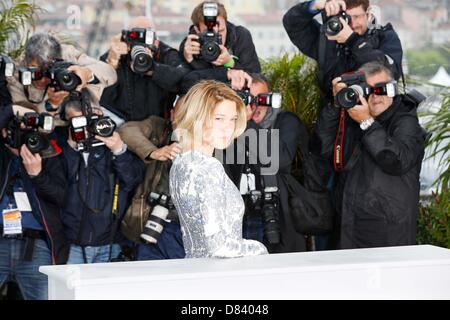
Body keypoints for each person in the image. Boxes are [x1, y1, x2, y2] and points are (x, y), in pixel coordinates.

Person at [314, 61, 426, 249]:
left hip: (387, 233)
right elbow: (324, 148)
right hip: (349, 226)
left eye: (381, 89)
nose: (375, 97)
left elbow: (396, 160)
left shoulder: (406, 122)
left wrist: (367, 123)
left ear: (393, 89)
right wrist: (336, 104)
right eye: (367, 90)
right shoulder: (354, 118)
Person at [169, 80, 268, 258]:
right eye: (219, 118)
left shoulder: (181, 163)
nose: (228, 128)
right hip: (221, 275)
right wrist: (259, 249)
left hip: (195, 268)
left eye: (233, 119)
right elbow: (219, 247)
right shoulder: (208, 167)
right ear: (197, 117)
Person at [225, 74, 310, 253]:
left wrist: (247, 123)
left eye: (260, 99)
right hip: (239, 215)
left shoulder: (286, 121)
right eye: (247, 99)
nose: (254, 106)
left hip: (278, 215)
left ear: (270, 97)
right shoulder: (230, 127)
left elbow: (279, 159)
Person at [59, 100, 144, 264]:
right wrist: (71, 145)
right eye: (77, 122)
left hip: (111, 243)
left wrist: (119, 150)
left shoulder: (114, 146)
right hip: (72, 244)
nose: (85, 127)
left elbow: (133, 181)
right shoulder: (66, 150)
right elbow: (57, 184)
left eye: (88, 119)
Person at [0, 105, 68, 300]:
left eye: (28, 133)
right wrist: (11, 109)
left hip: (35, 246)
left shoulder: (49, 155)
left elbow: (61, 198)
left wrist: (37, 174)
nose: (23, 138)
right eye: (17, 131)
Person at [283, 0, 403, 103]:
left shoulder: (385, 36)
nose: (352, 24)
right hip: (333, 116)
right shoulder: (327, 39)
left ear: (368, 14)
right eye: (347, 18)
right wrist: (313, 6)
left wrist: (351, 40)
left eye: (357, 17)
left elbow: (391, 70)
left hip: (375, 115)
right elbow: (292, 24)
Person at [118, 96, 185, 260]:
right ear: (171, 114)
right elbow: (126, 131)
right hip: (151, 218)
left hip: (185, 226)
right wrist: (154, 152)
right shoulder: (159, 127)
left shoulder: (209, 137)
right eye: (180, 114)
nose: (184, 120)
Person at [100, 16, 190, 121]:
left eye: (147, 34)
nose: (141, 40)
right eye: (135, 34)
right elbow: (101, 96)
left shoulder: (166, 53)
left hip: (159, 123)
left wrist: (153, 68)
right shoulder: (118, 54)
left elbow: (184, 79)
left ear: (156, 41)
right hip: (122, 123)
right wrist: (112, 62)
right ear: (126, 37)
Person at [7, 33, 116, 117]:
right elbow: (27, 120)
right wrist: (52, 104)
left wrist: (87, 73)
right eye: (37, 73)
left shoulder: (67, 55)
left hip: (77, 116)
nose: (43, 80)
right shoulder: (15, 73)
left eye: (48, 71)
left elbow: (110, 74)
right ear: (26, 61)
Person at [180, 1, 261, 74]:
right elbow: (185, 83)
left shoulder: (240, 36)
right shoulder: (190, 46)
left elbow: (255, 77)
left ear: (226, 24)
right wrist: (190, 60)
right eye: (208, 33)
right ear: (197, 30)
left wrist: (230, 63)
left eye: (221, 31)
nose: (215, 37)